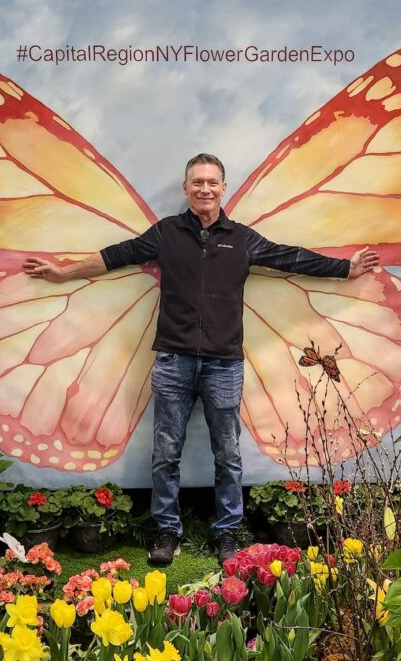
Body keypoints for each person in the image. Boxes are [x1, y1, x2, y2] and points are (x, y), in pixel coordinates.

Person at [23, 154, 379, 566]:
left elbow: (291, 258)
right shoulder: (166, 234)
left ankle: (227, 531)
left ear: (223, 188)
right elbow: (116, 255)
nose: (205, 189)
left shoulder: (243, 239)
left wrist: (345, 269)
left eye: (212, 182)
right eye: (197, 182)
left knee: (226, 453)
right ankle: (167, 531)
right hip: (173, 362)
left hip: (224, 365)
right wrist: (63, 273)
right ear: (186, 188)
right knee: (165, 453)